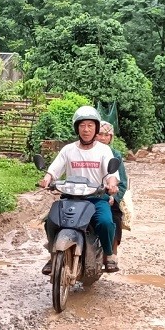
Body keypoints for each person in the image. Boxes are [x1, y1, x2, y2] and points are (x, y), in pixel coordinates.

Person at [40, 106, 121, 273]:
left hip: (96, 198)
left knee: (106, 222)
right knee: (50, 221)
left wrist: (112, 184)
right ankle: (53, 255)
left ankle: (109, 254)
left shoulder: (104, 150)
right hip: (70, 197)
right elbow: (54, 169)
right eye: (82, 125)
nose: (86, 129)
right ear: (77, 128)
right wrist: (47, 179)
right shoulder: (68, 150)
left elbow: (111, 173)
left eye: (90, 126)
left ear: (96, 128)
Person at [96, 121, 128, 255]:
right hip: (83, 192)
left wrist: (113, 196)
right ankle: (54, 251)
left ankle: (112, 251)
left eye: (107, 135)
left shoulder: (115, 155)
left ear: (111, 138)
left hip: (106, 194)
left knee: (115, 216)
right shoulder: (84, 151)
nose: (103, 138)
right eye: (100, 134)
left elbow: (122, 182)